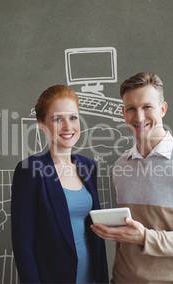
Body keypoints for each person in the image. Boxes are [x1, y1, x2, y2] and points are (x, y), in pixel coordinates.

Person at [91, 72, 173, 283]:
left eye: (147, 107)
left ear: (162, 109)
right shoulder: (122, 166)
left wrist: (145, 237)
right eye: (131, 108)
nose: (139, 117)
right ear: (123, 113)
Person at [11, 85, 109, 284]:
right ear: (41, 124)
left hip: (91, 277)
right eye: (57, 119)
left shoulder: (88, 166)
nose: (68, 126)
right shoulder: (29, 170)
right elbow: (23, 245)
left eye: (73, 117)